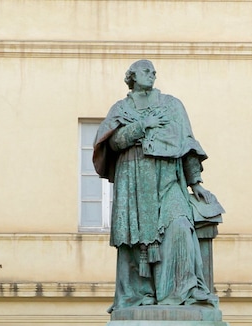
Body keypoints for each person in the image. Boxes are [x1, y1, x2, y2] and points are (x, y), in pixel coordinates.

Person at [93, 60, 221, 313]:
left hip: (168, 177)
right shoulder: (121, 108)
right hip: (134, 177)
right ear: (131, 76)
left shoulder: (172, 105)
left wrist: (196, 183)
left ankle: (183, 291)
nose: (151, 74)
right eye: (145, 70)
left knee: (181, 226)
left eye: (153, 71)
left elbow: (187, 142)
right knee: (135, 239)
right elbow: (114, 143)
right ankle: (140, 294)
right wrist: (142, 126)